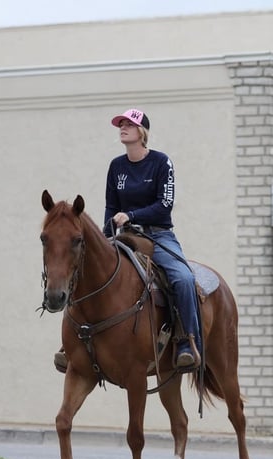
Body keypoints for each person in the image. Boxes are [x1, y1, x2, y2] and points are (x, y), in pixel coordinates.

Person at [103, 108, 201, 370]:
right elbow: (111, 207)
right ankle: (74, 344)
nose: (122, 127)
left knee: (183, 278)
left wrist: (131, 214)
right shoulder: (116, 166)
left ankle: (186, 342)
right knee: (85, 268)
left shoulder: (161, 162)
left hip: (158, 236)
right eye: (120, 124)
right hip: (124, 237)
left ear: (141, 131)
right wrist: (105, 238)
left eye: (128, 124)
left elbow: (164, 205)